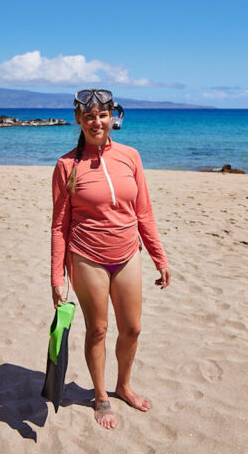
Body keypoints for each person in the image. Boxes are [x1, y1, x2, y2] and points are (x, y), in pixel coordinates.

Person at [50, 89, 172, 429]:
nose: (96, 122)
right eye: (88, 116)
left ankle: (124, 386)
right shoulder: (65, 165)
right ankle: (102, 395)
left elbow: (144, 212)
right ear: (78, 119)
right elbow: (59, 224)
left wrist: (159, 257)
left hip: (128, 253)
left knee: (132, 328)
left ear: (112, 118)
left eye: (102, 115)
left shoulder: (130, 156)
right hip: (86, 256)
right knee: (98, 330)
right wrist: (56, 278)